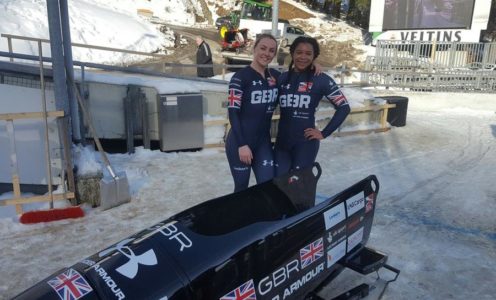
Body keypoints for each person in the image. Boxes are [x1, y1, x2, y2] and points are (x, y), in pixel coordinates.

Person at [274, 36, 350, 176]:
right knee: (279, 185)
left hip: (305, 144)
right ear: (292, 54)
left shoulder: (321, 79)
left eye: (308, 53)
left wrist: (324, 133)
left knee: (300, 188)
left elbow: (344, 107)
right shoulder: (282, 78)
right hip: (282, 144)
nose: (303, 57)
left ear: (314, 56)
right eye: (299, 52)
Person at [225, 34, 280, 192]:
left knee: (268, 185)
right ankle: (240, 216)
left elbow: (298, 76)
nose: (266, 53)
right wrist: (242, 145)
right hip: (239, 142)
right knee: (242, 188)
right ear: (254, 49)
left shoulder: (276, 77)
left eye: (271, 50)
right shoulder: (240, 77)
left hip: (263, 142)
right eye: (262, 48)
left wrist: (313, 65)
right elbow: (233, 112)